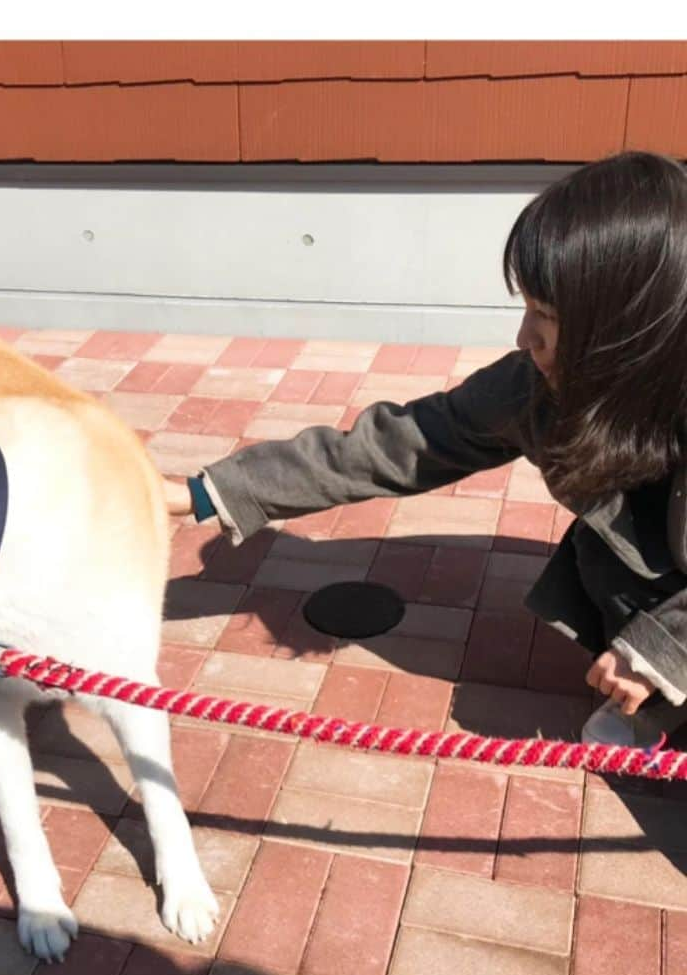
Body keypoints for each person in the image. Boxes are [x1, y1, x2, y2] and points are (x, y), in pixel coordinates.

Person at [165, 151, 687, 750]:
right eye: (528, 307)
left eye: (546, 315)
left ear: (631, 325)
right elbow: (399, 444)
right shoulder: (538, 390)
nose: (523, 337)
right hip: (650, 569)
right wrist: (200, 493)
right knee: (605, 559)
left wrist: (661, 648)